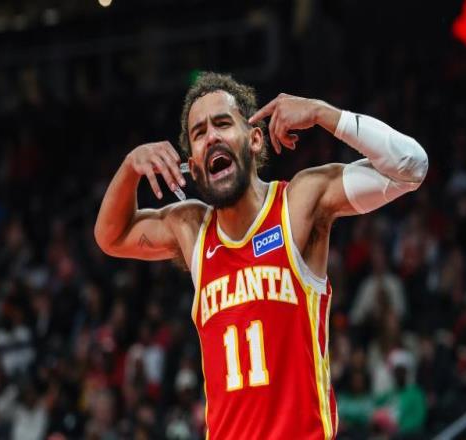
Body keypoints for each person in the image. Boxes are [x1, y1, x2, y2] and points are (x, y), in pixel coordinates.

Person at [94, 72, 428, 439]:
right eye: (199, 133)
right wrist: (130, 167)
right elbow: (111, 236)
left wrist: (322, 113)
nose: (212, 137)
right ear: (193, 164)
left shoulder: (298, 204)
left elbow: (412, 167)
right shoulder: (191, 229)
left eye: (223, 124)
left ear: (254, 139)